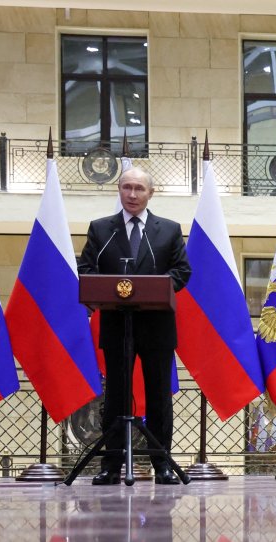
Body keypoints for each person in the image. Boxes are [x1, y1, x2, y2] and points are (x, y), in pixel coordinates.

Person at [78, 166, 191, 485]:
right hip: (116, 324)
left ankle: (162, 466)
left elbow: (183, 271)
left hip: (156, 326)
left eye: (138, 188)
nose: (131, 194)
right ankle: (111, 466)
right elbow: (86, 267)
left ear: (150, 193)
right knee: (115, 397)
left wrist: (158, 285)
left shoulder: (168, 230)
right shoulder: (102, 230)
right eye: (126, 187)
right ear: (119, 190)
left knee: (158, 397)